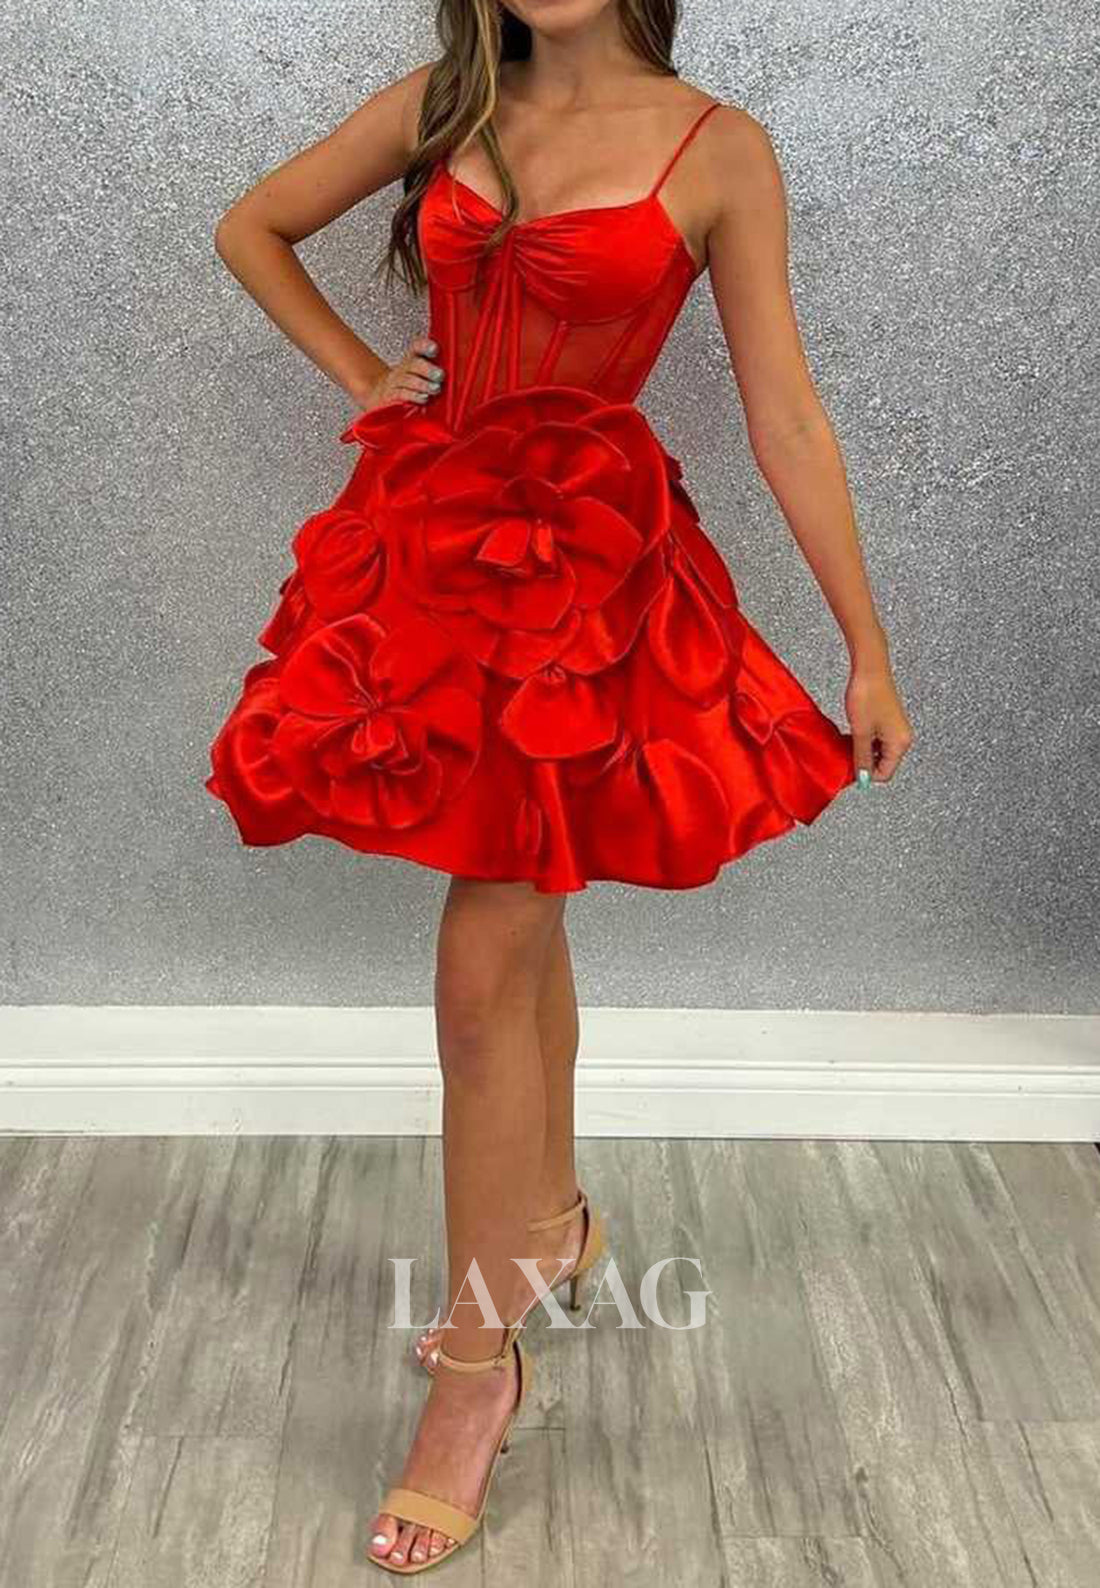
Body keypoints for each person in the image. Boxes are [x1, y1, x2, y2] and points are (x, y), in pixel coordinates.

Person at [205, 0, 913, 1572]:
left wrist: (865, 645)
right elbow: (252, 226)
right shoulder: (446, 102)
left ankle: (478, 1370)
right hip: (431, 543)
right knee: (518, 932)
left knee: (486, 965)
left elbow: (785, 411)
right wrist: (363, 372)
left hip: (583, 578)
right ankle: (551, 1230)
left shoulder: (720, 149)